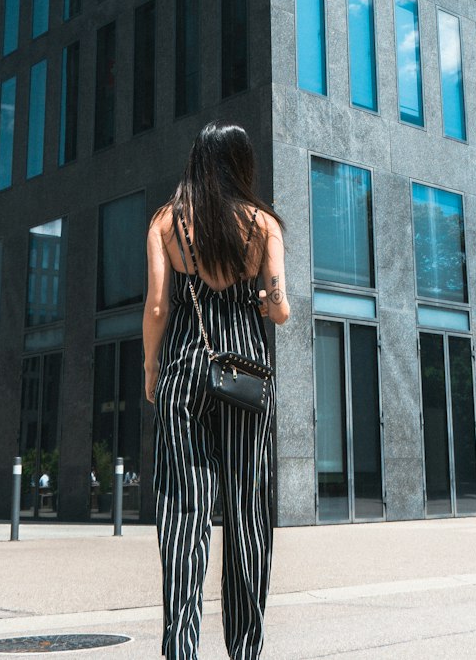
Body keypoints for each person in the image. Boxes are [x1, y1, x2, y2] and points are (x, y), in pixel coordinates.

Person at [144, 122, 290, 660]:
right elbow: (280, 308)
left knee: (184, 513)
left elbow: (158, 307)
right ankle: (245, 650)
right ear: (241, 164)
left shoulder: (165, 222)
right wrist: (262, 301)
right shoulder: (264, 223)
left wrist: (148, 366)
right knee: (248, 515)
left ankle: (181, 649)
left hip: (184, 367)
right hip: (246, 375)